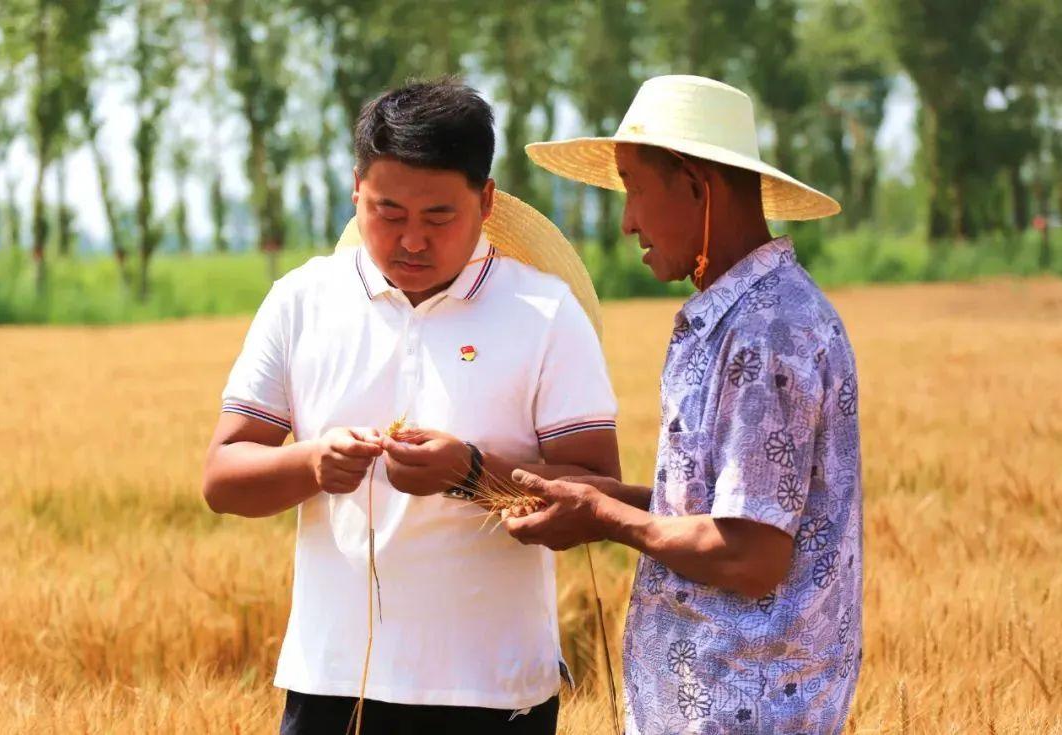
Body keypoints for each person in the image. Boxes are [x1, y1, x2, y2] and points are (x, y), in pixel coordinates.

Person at [202, 79, 620, 735]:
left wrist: (474, 473)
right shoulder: (300, 301)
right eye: (387, 213)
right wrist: (315, 462)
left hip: (495, 692)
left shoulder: (545, 312)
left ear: (485, 201)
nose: (412, 241)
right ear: (355, 190)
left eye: (438, 217)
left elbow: (602, 498)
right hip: (333, 683)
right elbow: (222, 477)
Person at [507, 75, 863, 733]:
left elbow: (749, 554)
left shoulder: (767, 329)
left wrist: (607, 516)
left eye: (635, 187)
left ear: (699, 188)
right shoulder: (742, 317)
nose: (627, 219)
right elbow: (735, 512)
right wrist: (605, 500)